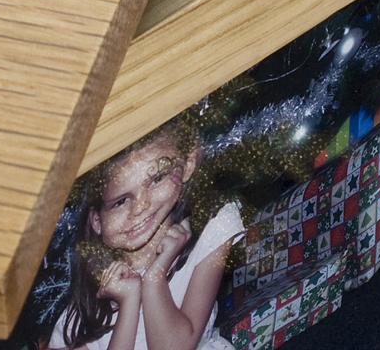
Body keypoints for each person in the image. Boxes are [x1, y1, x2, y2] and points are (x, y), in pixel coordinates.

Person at [49, 119, 242, 350]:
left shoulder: (211, 230)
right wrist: (129, 301)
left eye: (156, 179)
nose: (140, 207)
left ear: (188, 164)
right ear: (97, 220)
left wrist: (154, 278)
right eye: (121, 201)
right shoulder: (85, 308)